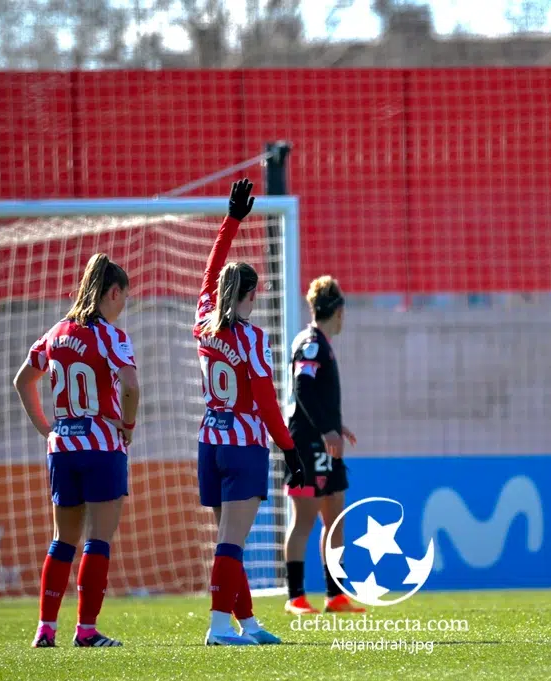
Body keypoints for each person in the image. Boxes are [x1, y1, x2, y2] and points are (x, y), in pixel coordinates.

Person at [194, 178, 306, 646]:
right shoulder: (251, 339)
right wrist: (290, 449)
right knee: (231, 542)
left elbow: (209, 276)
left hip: (209, 441)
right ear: (249, 295)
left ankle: (248, 623)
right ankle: (220, 627)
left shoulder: (203, 322)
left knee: (227, 538)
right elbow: (263, 399)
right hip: (242, 446)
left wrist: (232, 221)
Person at [13, 253, 140, 647]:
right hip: (101, 446)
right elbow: (131, 387)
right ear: (113, 291)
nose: (124, 305)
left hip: (63, 446)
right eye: (124, 297)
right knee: (97, 539)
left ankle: (45, 629)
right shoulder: (111, 335)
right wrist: (129, 426)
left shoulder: (57, 332)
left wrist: (46, 428)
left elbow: (22, 380)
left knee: (61, 540)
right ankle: (85, 630)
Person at [282, 275, 364, 615]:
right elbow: (303, 388)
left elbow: (315, 395)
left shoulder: (320, 344)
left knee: (336, 519)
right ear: (340, 311)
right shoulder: (312, 343)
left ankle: (336, 594)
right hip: (307, 445)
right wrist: (323, 431)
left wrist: (335, 426)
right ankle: (295, 597)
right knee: (304, 520)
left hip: (325, 444)